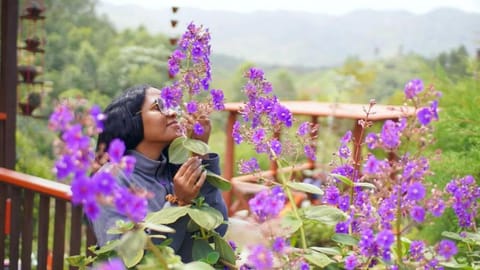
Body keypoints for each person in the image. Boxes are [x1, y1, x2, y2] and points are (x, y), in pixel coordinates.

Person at [91, 84, 228, 262]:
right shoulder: (109, 180)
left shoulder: (176, 169)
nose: (172, 112)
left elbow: (216, 231)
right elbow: (126, 260)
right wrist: (178, 203)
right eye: (158, 107)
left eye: (172, 105)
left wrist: (200, 153)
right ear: (130, 121)